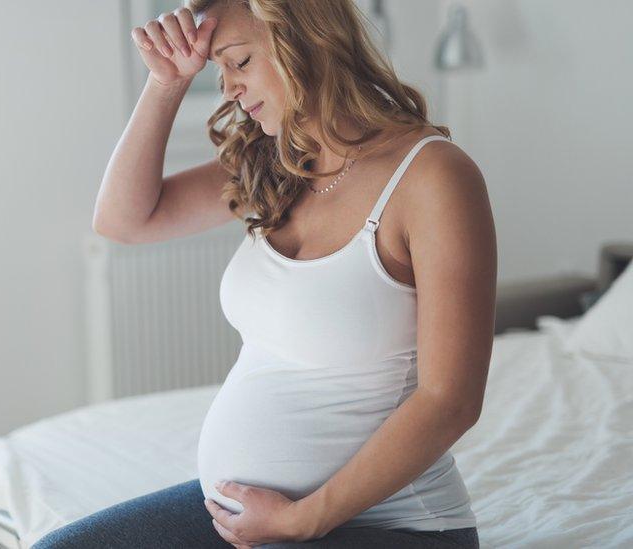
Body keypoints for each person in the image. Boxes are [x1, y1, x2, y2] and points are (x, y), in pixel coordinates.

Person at [35, 0, 495, 547]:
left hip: (394, 526)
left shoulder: (434, 177)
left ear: (304, 42)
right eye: (219, 70)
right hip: (247, 516)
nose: (228, 88)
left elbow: (451, 401)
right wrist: (165, 84)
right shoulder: (275, 160)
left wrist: (303, 519)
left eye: (240, 61)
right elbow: (123, 221)